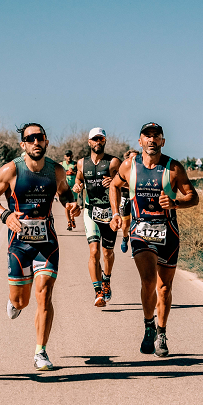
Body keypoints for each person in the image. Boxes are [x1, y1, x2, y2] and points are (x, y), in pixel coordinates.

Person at [0, 122, 80, 370]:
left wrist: (70, 204)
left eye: (40, 137)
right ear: (23, 144)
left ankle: (41, 351)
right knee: (21, 302)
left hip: (46, 240)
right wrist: (5, 215)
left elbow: (64, 192)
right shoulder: (11, 170)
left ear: (47, 141)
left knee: (45, 295)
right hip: (19, 243)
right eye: (30, 139)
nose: (36, 142)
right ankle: (14, 301)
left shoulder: (56, 171)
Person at [109, 122, 198, 357]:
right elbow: (114, 187)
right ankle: (149, 325)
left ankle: (161, 331)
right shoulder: (130, 166)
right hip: (141, 232)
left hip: (168, 232)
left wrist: (176, 203)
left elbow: (193, 196)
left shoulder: (174, 168)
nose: (151, 140)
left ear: (162, 141)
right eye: (147, 136)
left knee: (164, 287)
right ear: (140, 141)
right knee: (148, 281)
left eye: (156, 136)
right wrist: (116, 213)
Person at [72, 127, 121, 307]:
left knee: (107, 253)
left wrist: (114, 182)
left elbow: (124, 180)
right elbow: (79, 179)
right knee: (94, 252)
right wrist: (77, 186)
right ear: (89, 142)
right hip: (90, 211)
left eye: (101, 139)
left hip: (109, 213)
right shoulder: (81, 163)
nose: (98, 142)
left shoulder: (113, 162)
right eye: (94, 139)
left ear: (105, 141)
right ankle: (98, 292)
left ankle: (106, 280)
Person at [119, 150, 139, 253]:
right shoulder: (123, 169)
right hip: (125, 199)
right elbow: (119, 183)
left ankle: (134, 245)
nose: (134, 160)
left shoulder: (142, 170)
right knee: (126, 225)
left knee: (136, 223)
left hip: (136, 199)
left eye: (137, 158)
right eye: (132, 158)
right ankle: (125, 238)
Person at [61, 150, 78, 230]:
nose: (68, 157)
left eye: (70, 155)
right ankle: (69, 222)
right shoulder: (61, 165)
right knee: (67, 205)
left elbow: (80, 175)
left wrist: (73, 172)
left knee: (73, 206)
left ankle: (72, 219)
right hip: (65, 188)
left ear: (72, 156)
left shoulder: (75, 164)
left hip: (73, 188)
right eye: (67, 155)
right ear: (64, 156)